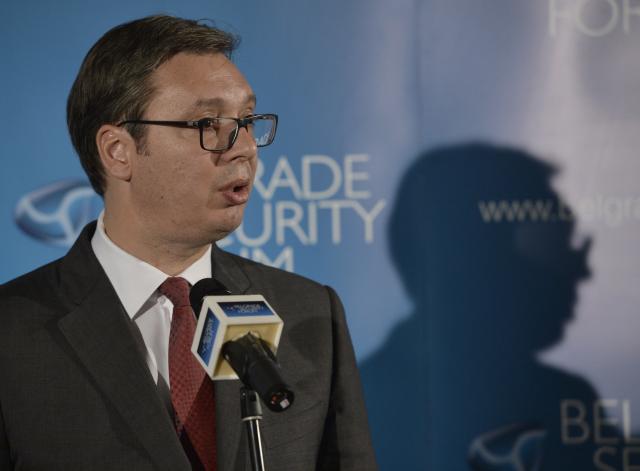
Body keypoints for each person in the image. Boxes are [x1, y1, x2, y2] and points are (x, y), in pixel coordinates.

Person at [0, 15, 376, 471]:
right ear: (118, 151)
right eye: (206, 122)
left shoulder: (309, 315)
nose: (244, 147)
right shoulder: (12, 334)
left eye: (247, 120)